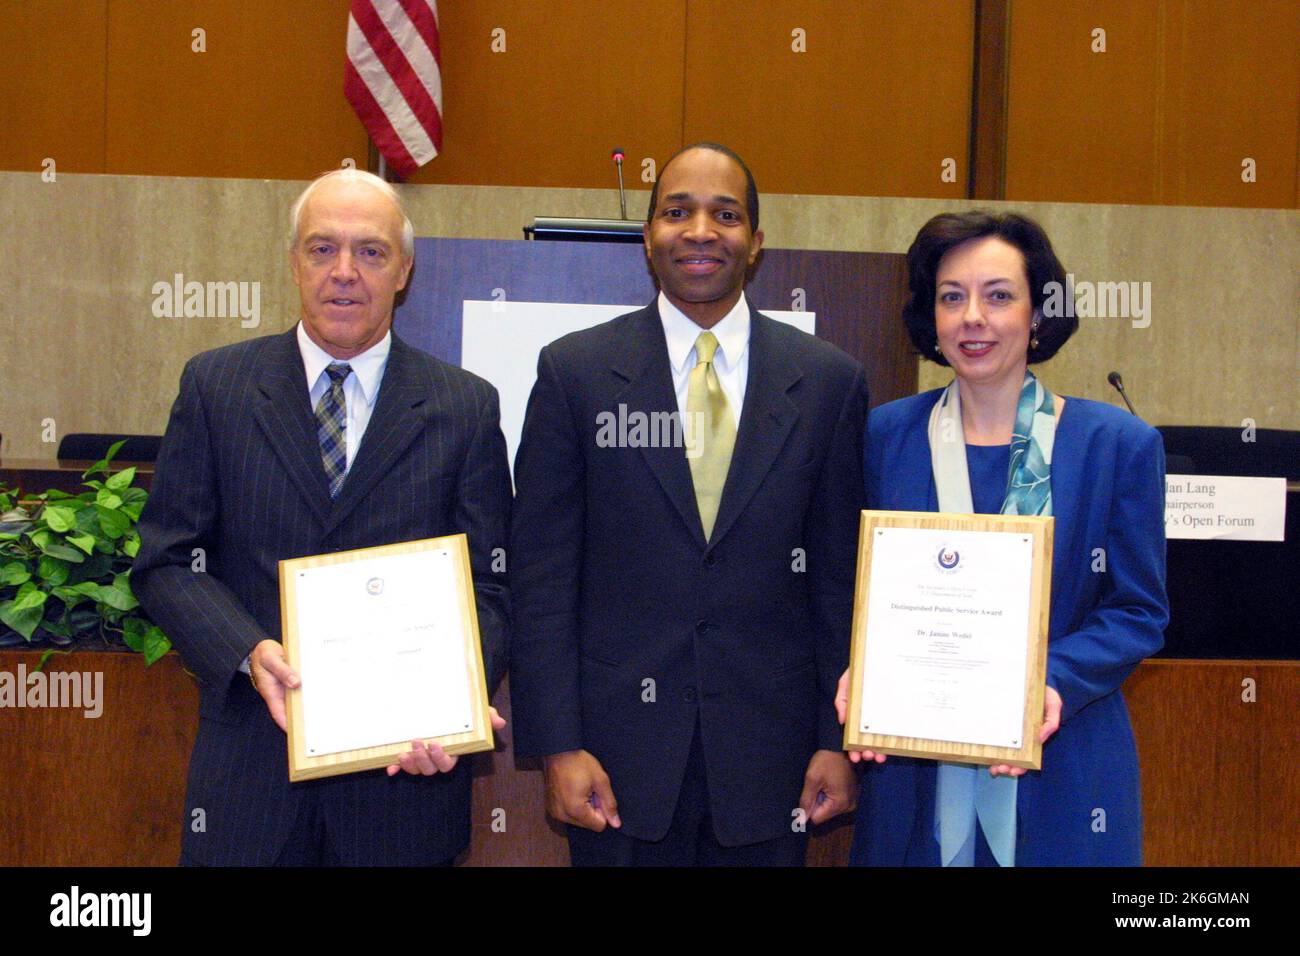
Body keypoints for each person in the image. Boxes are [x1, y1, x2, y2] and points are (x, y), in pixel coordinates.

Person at [132, 169, 511, 866]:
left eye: (370, 252)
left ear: (404, 269)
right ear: (293, 263)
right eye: (321, 249)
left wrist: (448, 705)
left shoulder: (466, 406)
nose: (344, 273)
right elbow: (166, 561)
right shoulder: (216, 388)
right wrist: (247, 651)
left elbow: (494, 584)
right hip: (250, 773)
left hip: (401, 793)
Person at [509, 143, 868, 866]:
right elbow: (542, 578)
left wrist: (840, 741)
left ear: (756, 242)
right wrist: (558, 744)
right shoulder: (574, 373)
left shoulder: (829, 383)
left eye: (725, 215)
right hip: (615, 764)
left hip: (773, 763)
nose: (701, 230)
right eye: (677, 212)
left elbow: (839, 580)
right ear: (647, 238)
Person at [836, 211, 1168, 866]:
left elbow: (1138, 613)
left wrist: (1050, 684)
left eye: (998, 295)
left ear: (1038, 314)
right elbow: (854, 591)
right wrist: (861, 671)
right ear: (931, 318)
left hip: (1063, 759)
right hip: (911, 766)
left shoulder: (1117, 446)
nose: (972, 318)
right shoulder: (884, 436)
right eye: (952, 297)